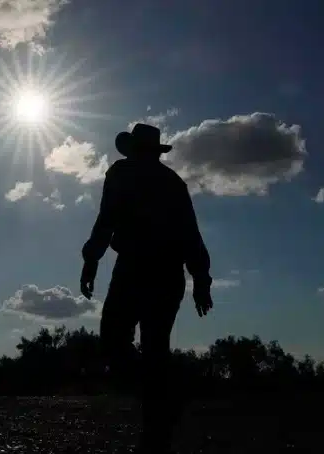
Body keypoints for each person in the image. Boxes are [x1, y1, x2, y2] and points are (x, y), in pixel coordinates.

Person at [79, 123, 213, 453]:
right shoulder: (172, 183)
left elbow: (106, 219)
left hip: (139, 268)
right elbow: (191, 236)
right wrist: (200, 280)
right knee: (150, 347)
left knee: (119, 340)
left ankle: (158, 420)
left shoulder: (124, 174)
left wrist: (92, 259)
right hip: (165, 273)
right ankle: (161, 408)